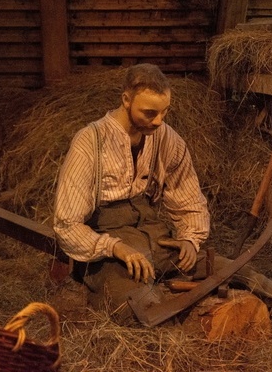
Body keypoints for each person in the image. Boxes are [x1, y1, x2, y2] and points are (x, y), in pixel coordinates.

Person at [53, 63, 211, 325]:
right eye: (149, 113)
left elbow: (188, 197)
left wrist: (190, 239)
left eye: (164, 112)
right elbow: (67, 224)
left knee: (238, 274)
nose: (158, 121)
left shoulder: (166, 138)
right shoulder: (90, 142)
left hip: (154, 236)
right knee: (144, 312)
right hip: (107, 247)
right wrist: (115, 247)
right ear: (126, 100)